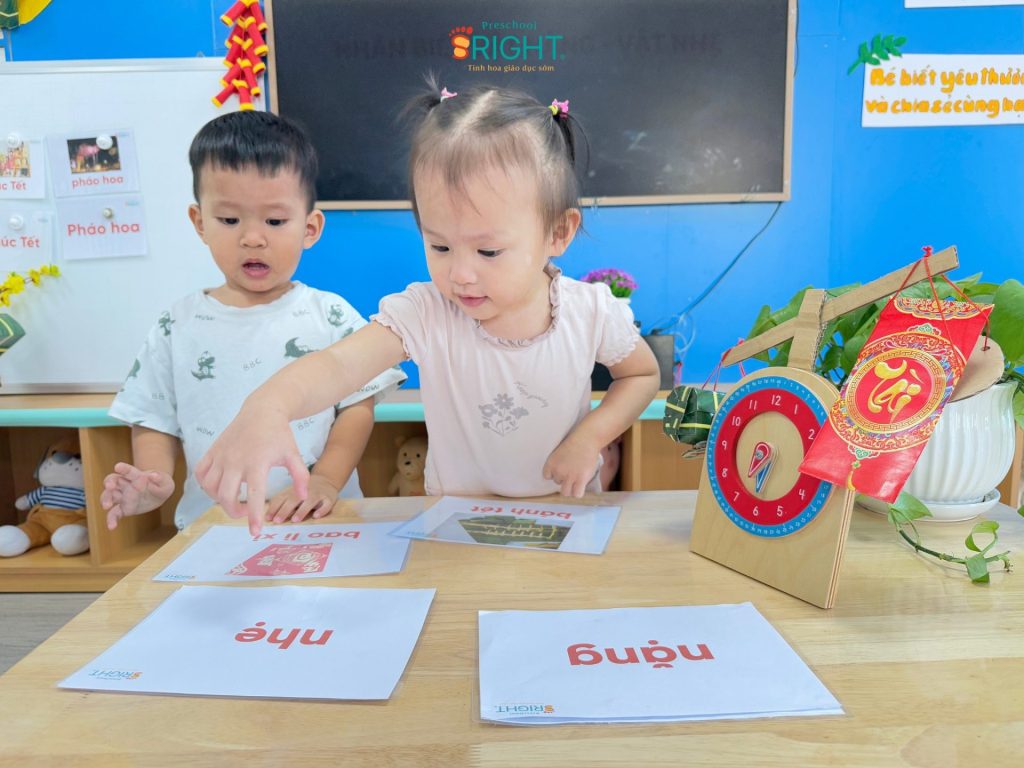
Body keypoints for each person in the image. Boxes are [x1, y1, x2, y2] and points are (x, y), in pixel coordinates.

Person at [196, 83, 660, 535]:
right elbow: (339, 365)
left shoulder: (589, 311)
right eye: (439, 246)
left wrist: (588, 439)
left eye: (488, 252)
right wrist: (270, 404)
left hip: (563, 518)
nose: (460, 274)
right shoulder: (427, 312)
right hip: (456, 525)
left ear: (558, 233)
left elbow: (640, 375)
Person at [102, 111, 405, 533]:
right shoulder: (177, 324)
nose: (252, 238)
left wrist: (325, 480)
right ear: (200, 223)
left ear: (310, 228)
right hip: (215, 527)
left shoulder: (330, 314)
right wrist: (154, 480)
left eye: (275, 221)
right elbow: (153, 417)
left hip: (319, 519)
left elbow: (357, 409)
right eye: (229, 220)